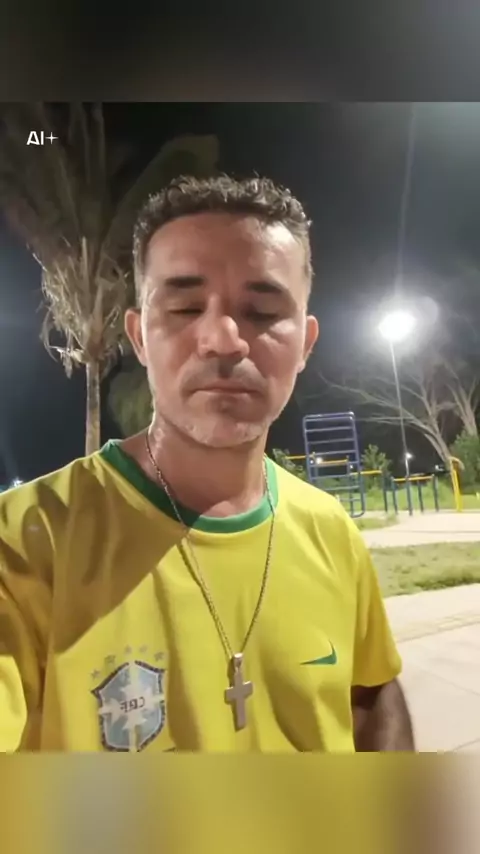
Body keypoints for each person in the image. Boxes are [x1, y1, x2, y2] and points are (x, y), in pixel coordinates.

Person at [0, 175, 414, 752]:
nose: (223, 339)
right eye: (185, 307)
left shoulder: (331, 531)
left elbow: (371, 695)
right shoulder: (25, 542)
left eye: (262, 311)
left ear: (305, 344)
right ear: (139, 337)